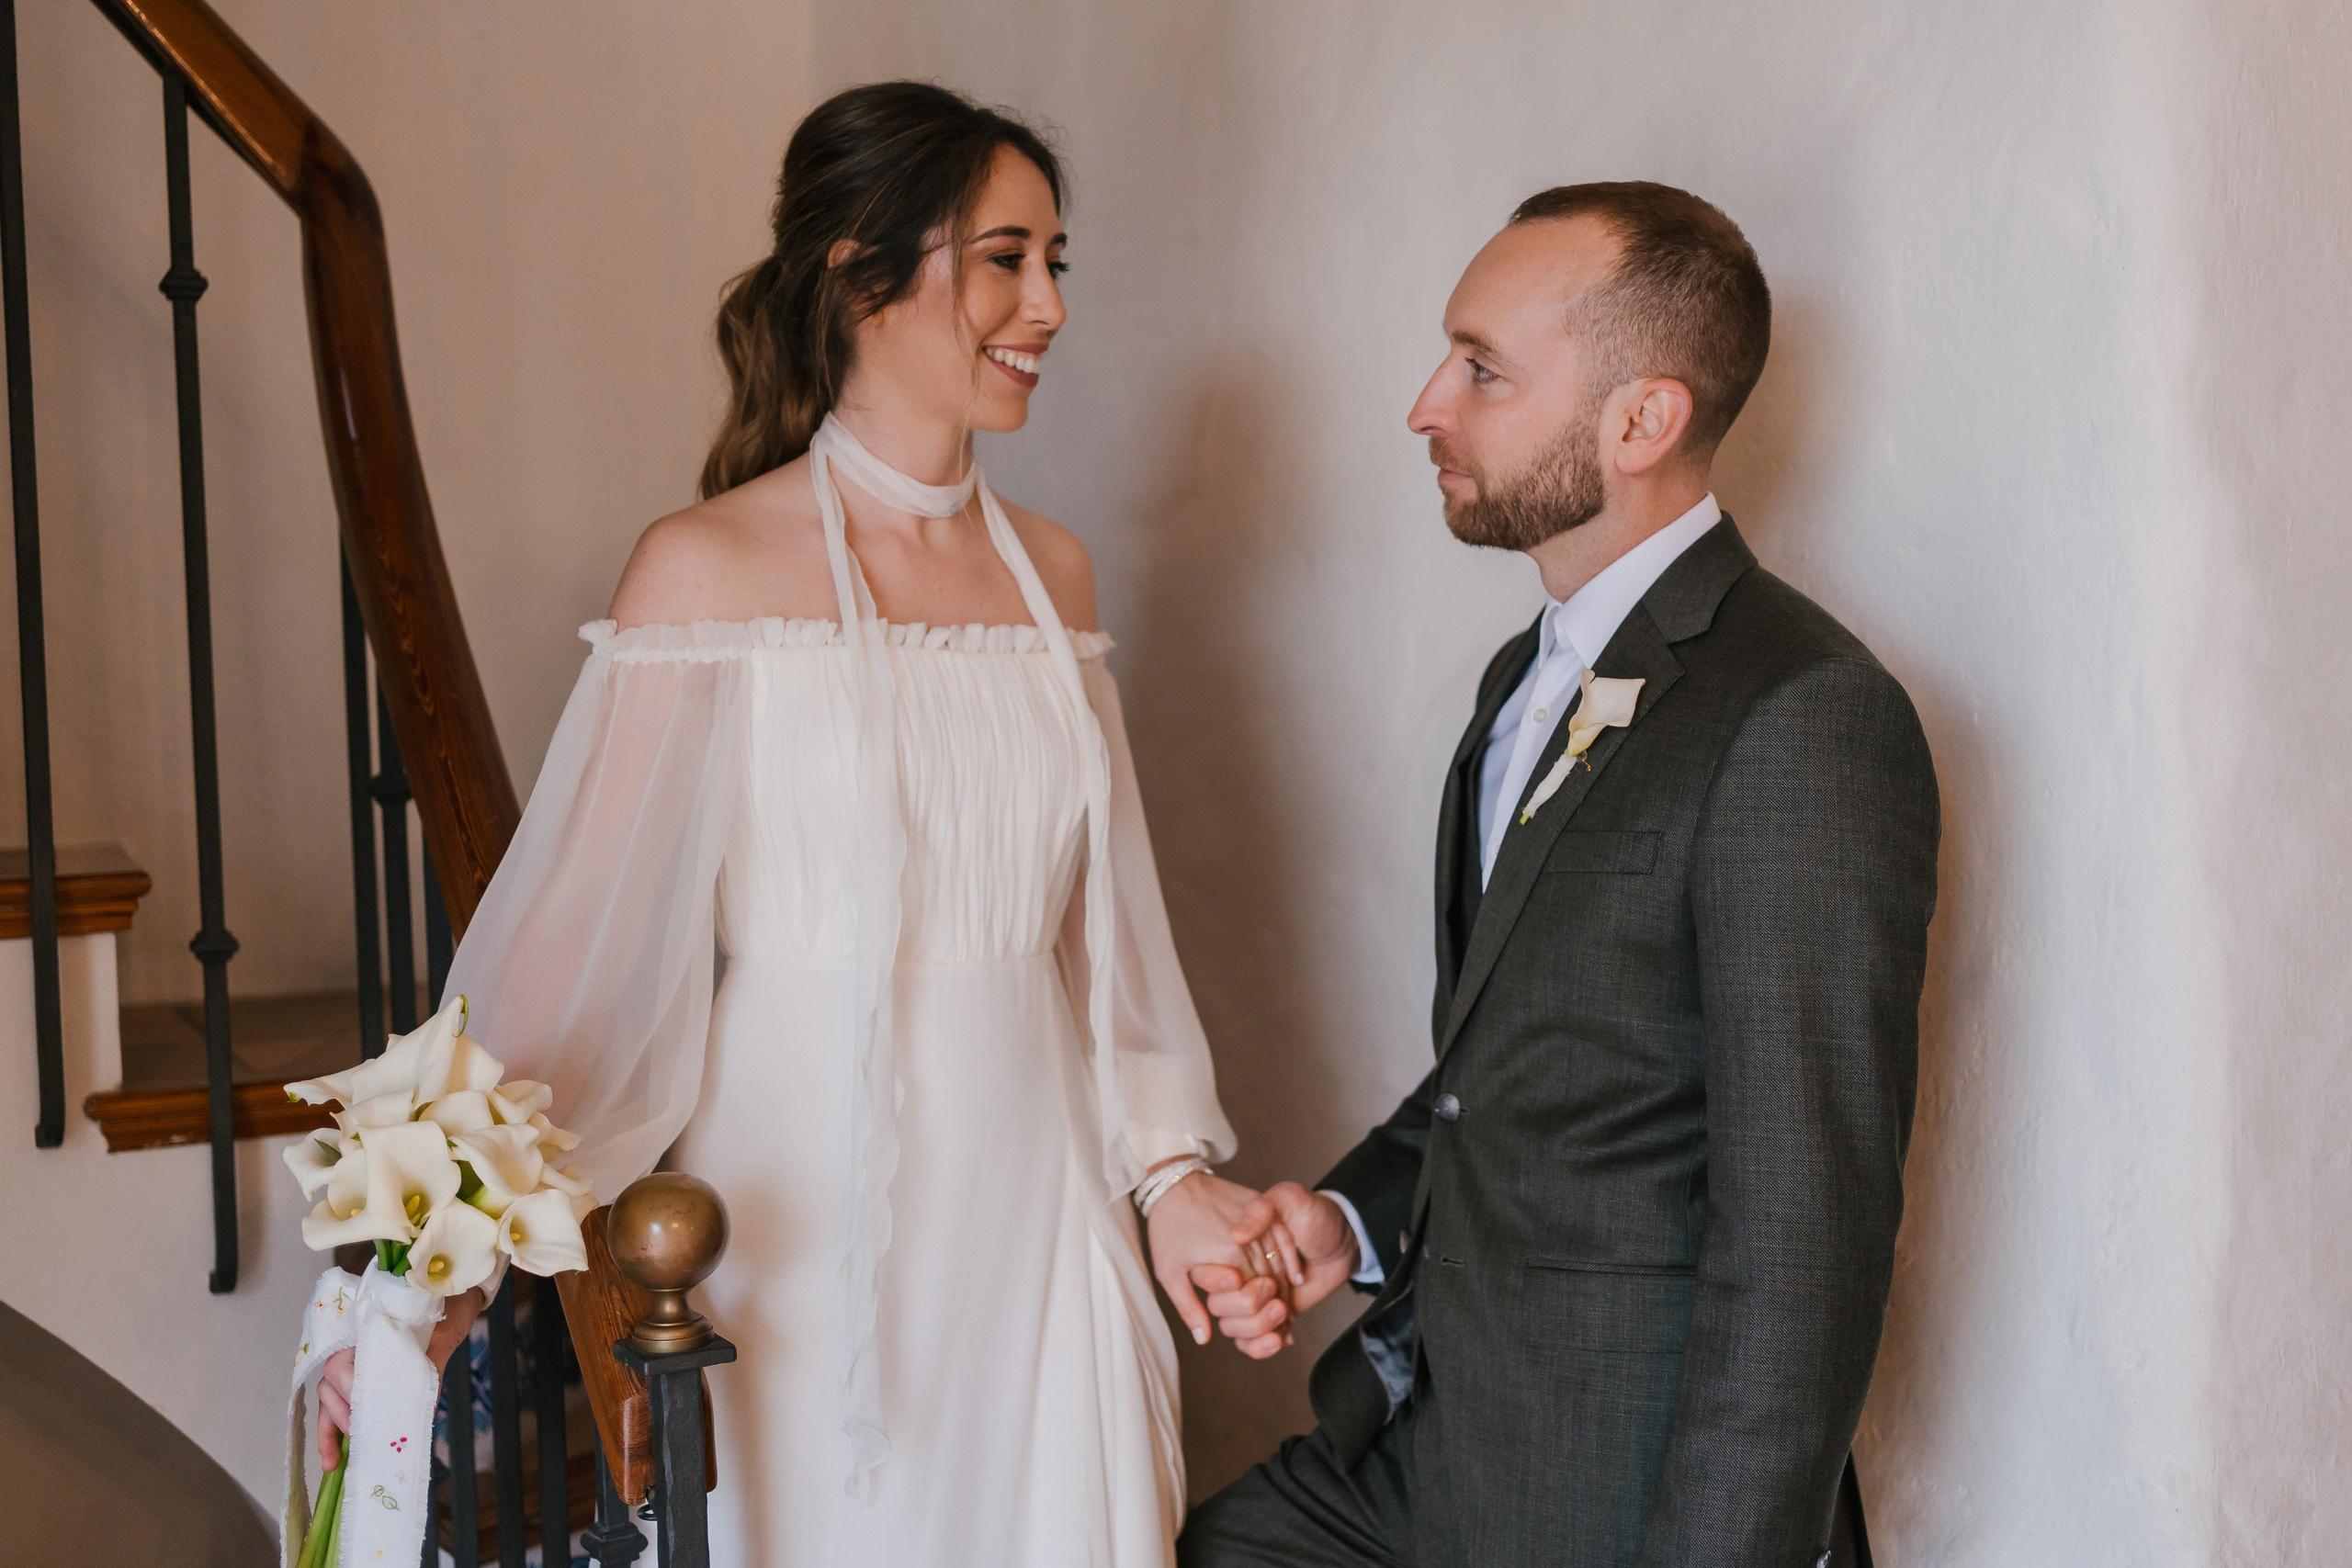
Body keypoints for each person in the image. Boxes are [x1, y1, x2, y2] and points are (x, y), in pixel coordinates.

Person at [314, 80, 1295, 1567]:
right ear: (860, 271)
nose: (1050, 305)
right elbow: (578, 936)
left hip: (1038, 1217)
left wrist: (1169, 1180)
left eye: (1056, 262)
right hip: (796, 1216)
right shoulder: (702, 570)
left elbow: (1102, 921)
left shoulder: (1058, 576)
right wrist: (421, 1266)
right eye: (1006, 258)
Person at [1178, 183, 1940, 1567]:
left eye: (1481, 369)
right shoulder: (1517, 682)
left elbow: (1807, 1246)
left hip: (1623, 1485)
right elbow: (1515, 1066)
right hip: (1425, 1443)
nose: (1426, 403)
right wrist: (1349, 1218)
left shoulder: (1804, 712)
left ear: (1641, 422)